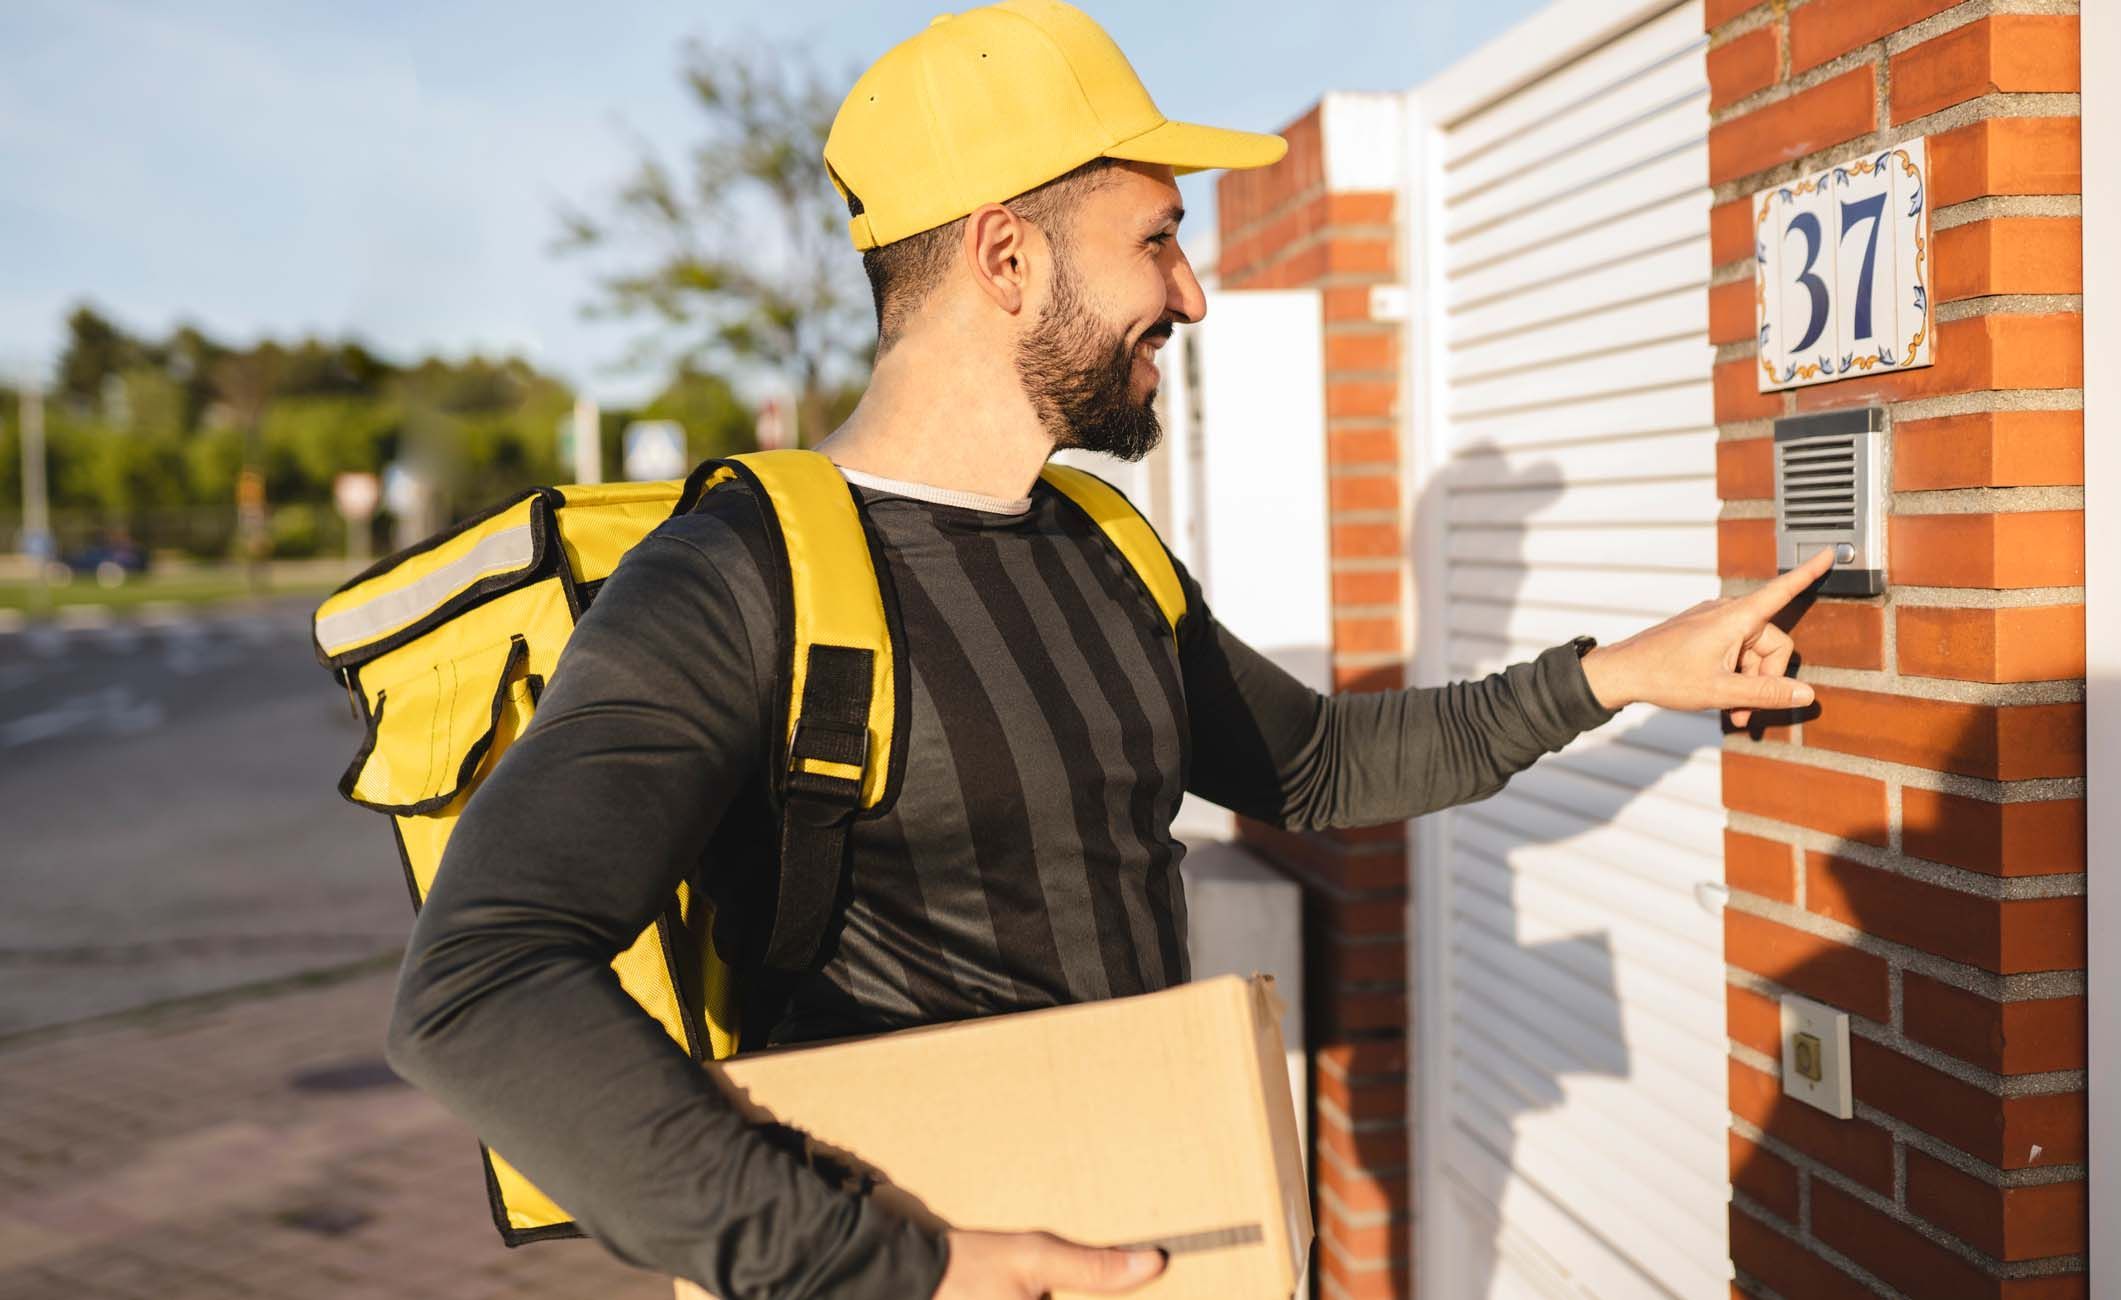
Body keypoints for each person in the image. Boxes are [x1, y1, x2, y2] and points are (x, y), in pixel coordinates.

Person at [382, 3, 1831, 1297]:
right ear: (1005, 256)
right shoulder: (733, 579)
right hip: (911, 1240)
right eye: (1155, 238)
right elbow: (483, 987)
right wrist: (882, 1265)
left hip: (1161, 1197)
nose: (1189, 295)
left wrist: (1619, 673)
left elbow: (1313, 766)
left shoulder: (1101, 545)